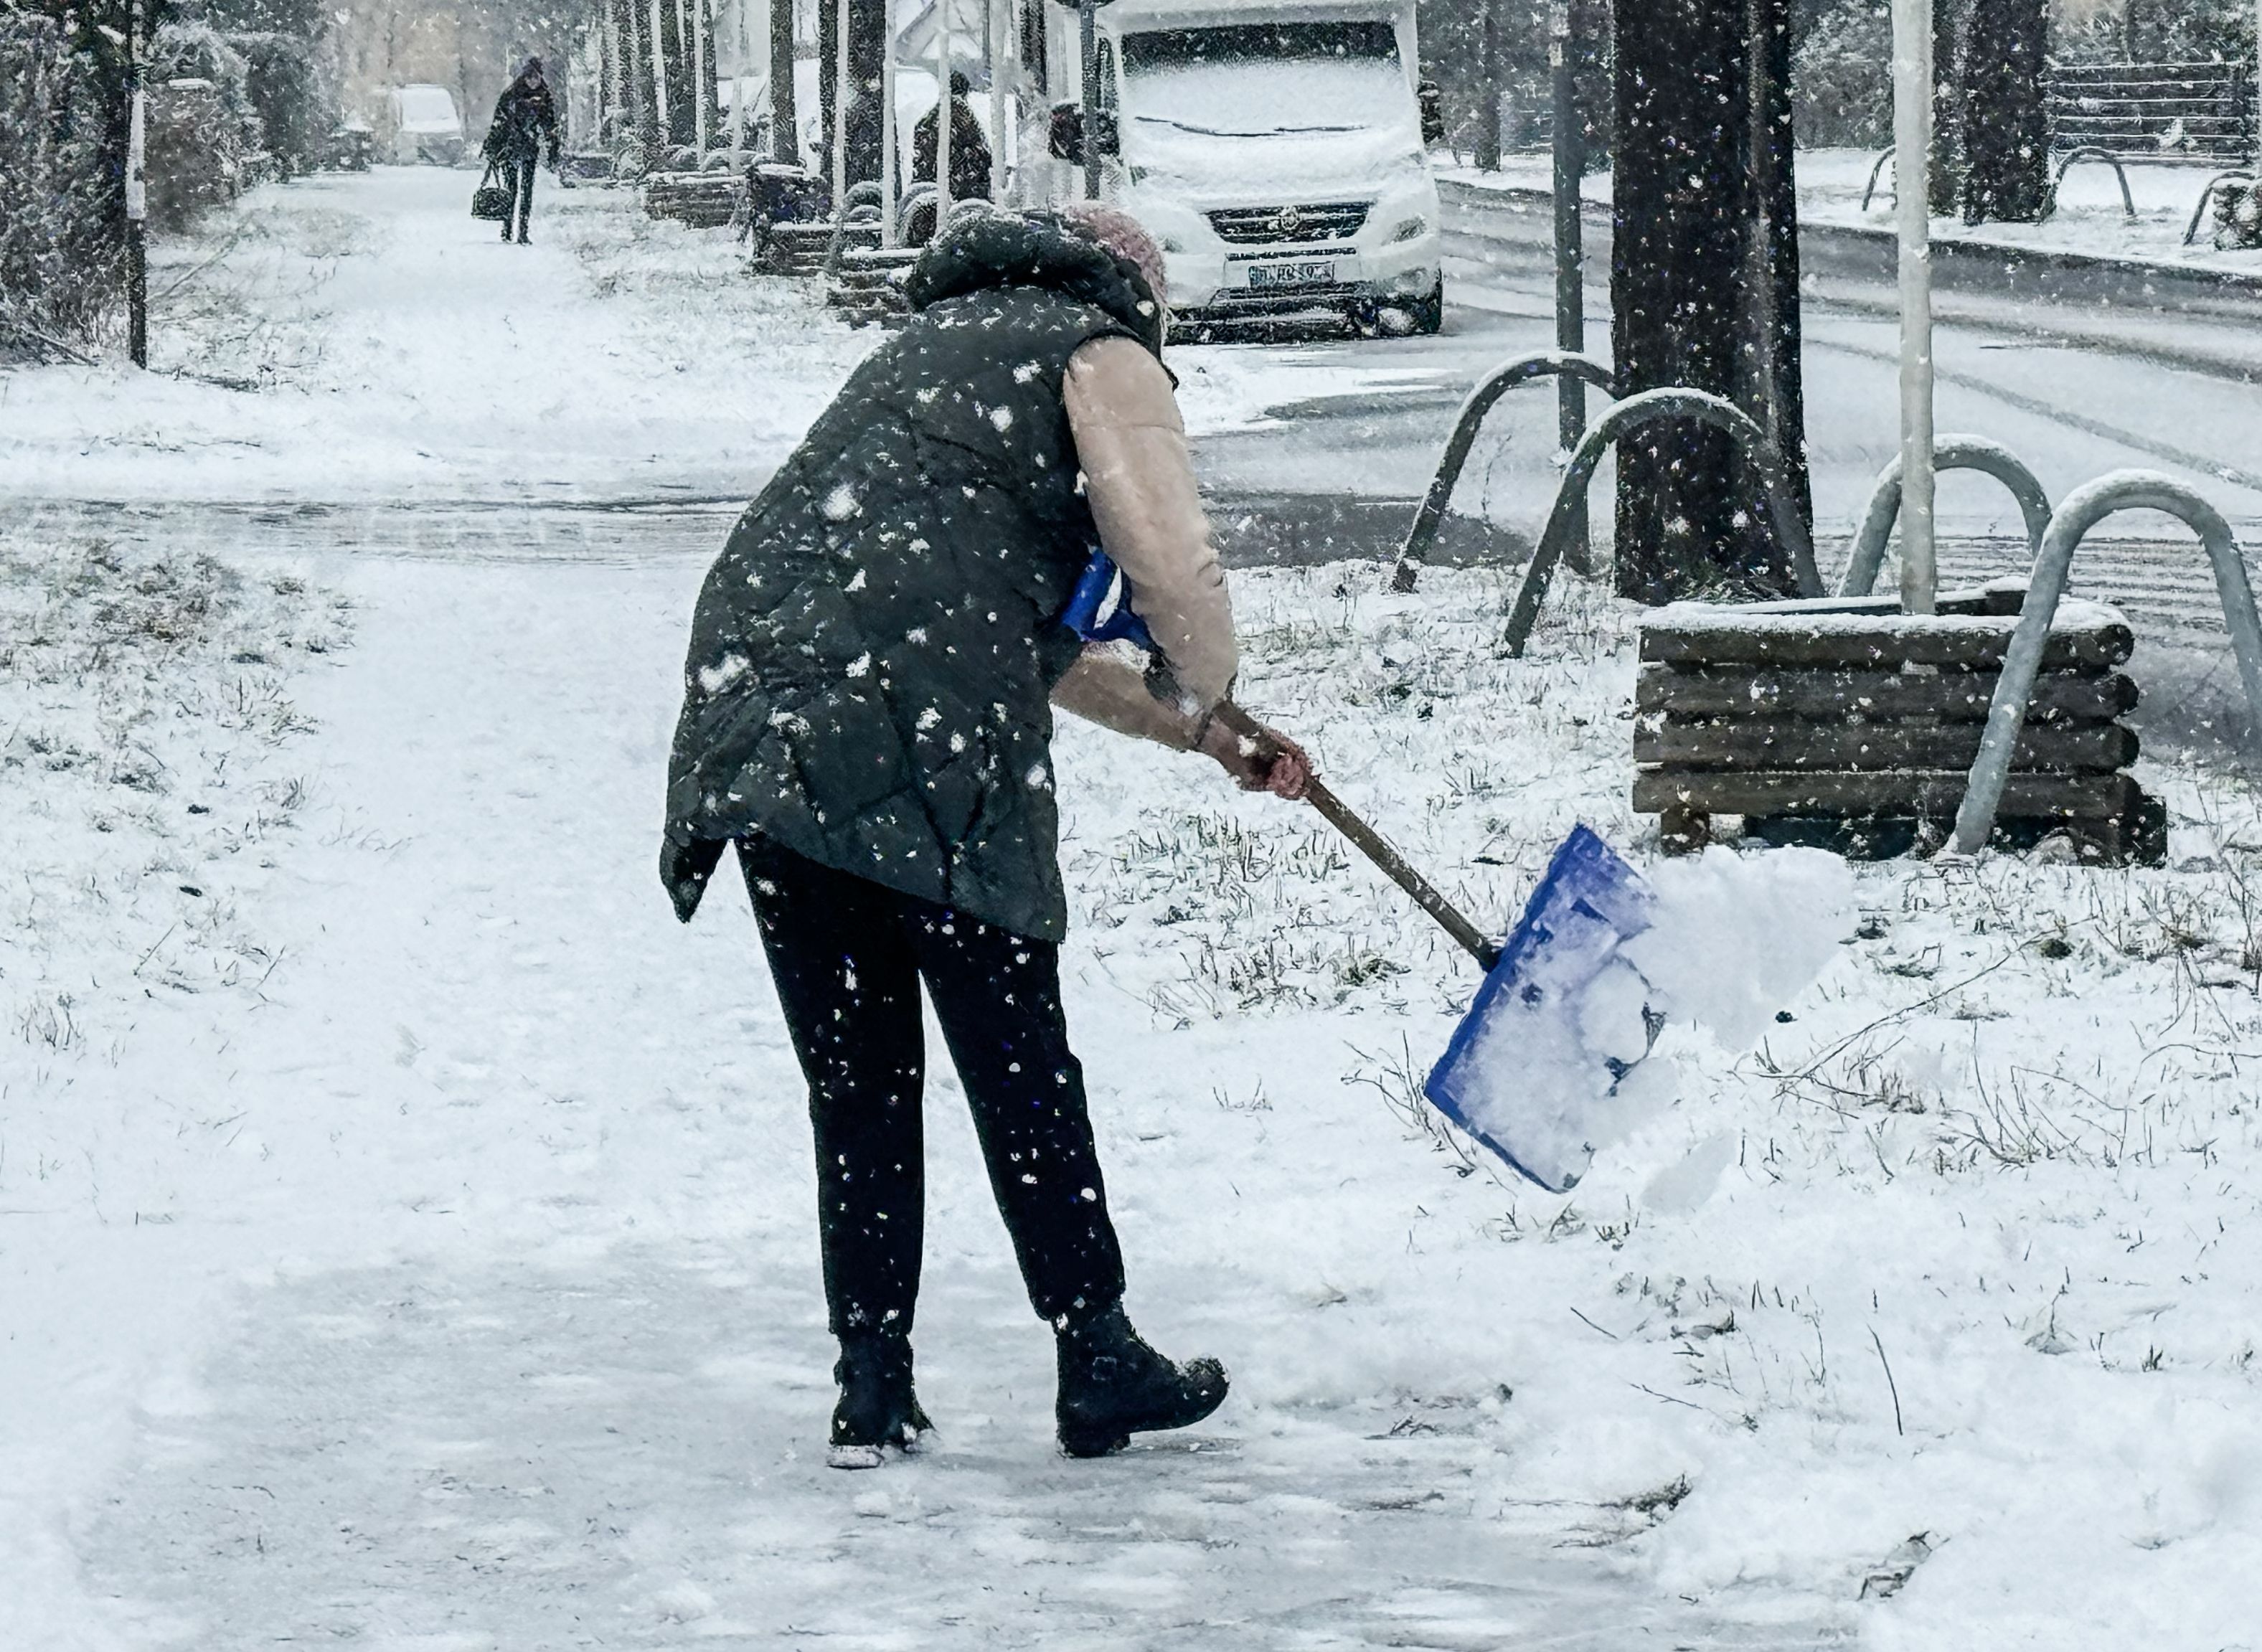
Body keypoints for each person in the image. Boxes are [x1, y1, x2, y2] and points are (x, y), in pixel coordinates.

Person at [660, 205, 1312, 1468]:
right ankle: (1095, 1347)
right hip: (913, 721)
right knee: (1016, 1054)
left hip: (763, 718)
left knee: (858, 1078)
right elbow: (1171, 568)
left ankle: (871, 1382)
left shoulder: (932, 349)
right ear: (1141, 295)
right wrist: (1208, 673)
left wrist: (1212, 733)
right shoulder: (1095, 348)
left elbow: (1002, 621)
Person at [484, 58, 560, 245]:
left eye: (536, 77)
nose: (533, 81)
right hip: (510, 148)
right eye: (530, 77)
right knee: (511, 189)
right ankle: (508, 226)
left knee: (527, 190)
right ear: (524, 77)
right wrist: (494, 146)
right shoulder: (512, 95)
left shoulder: (544, 97)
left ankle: (523, 231)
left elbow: (550, 125)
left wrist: (552, 149)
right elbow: (499, 122)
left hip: (529, 148)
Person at [913, 70, 993, 208]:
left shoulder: (932, 116)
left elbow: (921, 140)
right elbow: (979, 148)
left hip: (934, 182)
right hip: (963, 185)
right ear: (964, 91)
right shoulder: (964, 115)